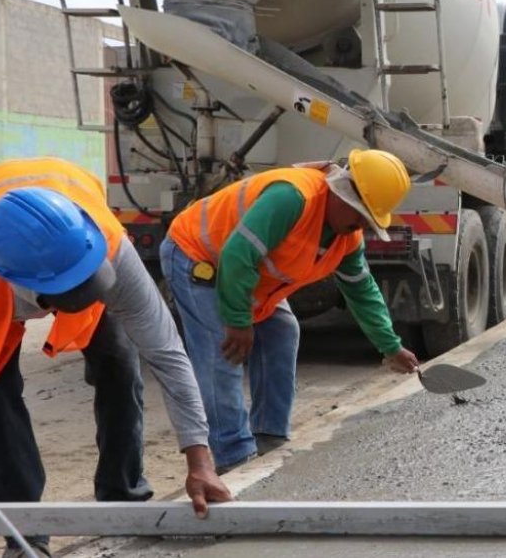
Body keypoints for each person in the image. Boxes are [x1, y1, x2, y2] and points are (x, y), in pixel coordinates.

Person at [0, 158, 232, 558]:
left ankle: (123, 498)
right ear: (28, 290)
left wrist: (200, 462)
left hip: (72, 236)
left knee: (120, 365)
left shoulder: (106, 248)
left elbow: (167, 353)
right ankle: (24, 532)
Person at [160, 150, 420, 471]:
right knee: (223, 351)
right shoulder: (292, 198)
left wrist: (390, 346)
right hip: (197, 255)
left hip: (246, 275)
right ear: (343, 194)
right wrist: (239, 321)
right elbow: (238, 254)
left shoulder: (346, 236)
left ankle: (269, 435)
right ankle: (233, 457)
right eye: (361, 216)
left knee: (282, 330)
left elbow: (362, 291)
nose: (362, 227)